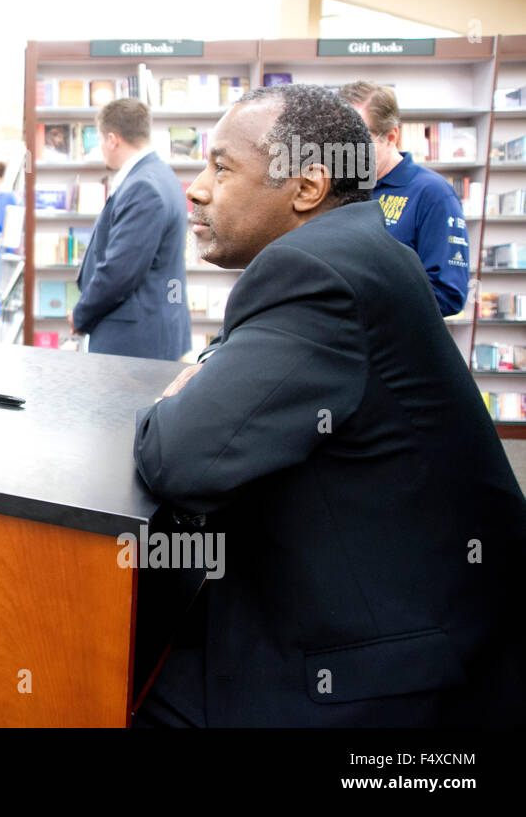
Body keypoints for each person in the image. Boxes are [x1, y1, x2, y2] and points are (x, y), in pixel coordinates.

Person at [133, 83, 526, 727]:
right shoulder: (360, 248)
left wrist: (173, 399)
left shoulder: (315, 271)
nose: (197, 188)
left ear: (308, 187)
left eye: (221, 167)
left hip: (384, 674)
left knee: (120, 688)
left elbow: (180, 458)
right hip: (425, 617)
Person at [68, 99, 189, 361]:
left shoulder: (142, 186)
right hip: (150, 329)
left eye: (99, 139)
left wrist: (81, 314)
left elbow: (120, 272)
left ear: (112, 139)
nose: (100, 147)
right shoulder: (161, 176)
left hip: (134, 340)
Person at [339, 80, 469, 317]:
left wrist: (358, 303)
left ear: (391, 136)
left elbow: (448, 294)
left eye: (358, 139)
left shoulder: (433, 194)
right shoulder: (338, 187)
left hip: (392, 346)